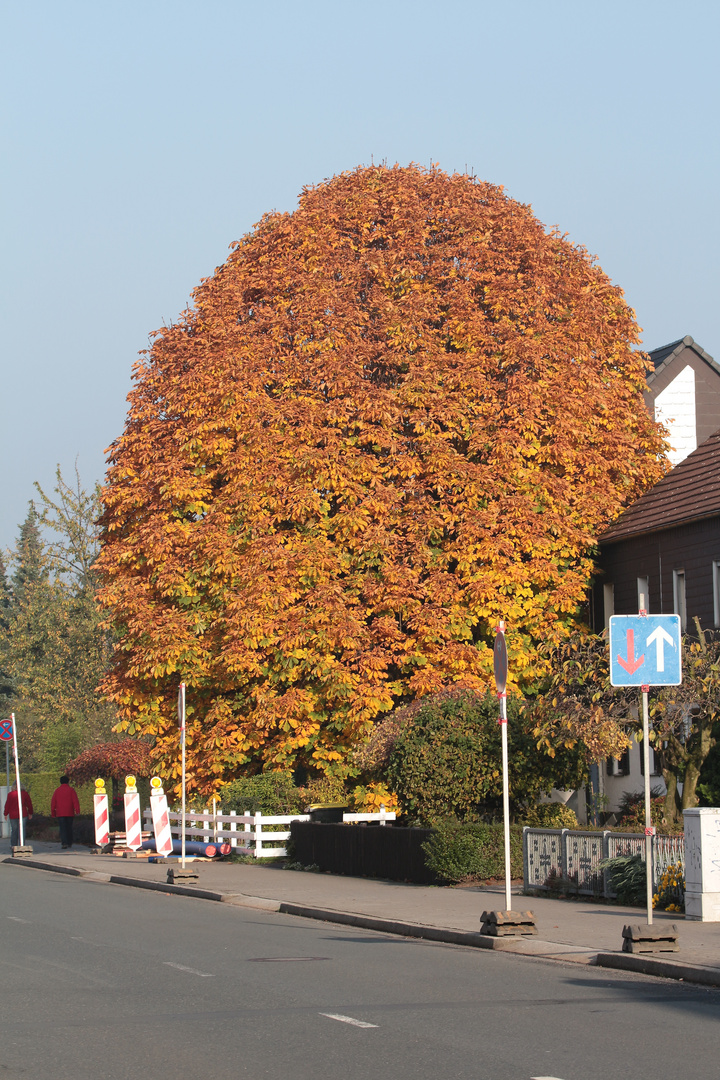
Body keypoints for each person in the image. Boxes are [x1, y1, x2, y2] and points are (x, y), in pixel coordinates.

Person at [50, 775, 81, 849]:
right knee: (69, 827)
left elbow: (53, 802)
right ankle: (70, 842)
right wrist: (77, 811)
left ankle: (64, 843)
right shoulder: (71, 790)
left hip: (60, 813)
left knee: (62, 828)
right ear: (68, 782)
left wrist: (53, 813)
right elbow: (75, 801)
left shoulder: (57, 791)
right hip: (70, 812)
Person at [3, 782, 33, 847]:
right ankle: (22, 844)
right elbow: (29, 804)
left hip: (13, 815)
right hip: (23, 814)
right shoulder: (25, 794)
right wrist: (30, 813)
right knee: (22, 829)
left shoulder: (10, 794)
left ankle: (13, 845)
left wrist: (5, 813)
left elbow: (7, 804)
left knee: (14, 830)